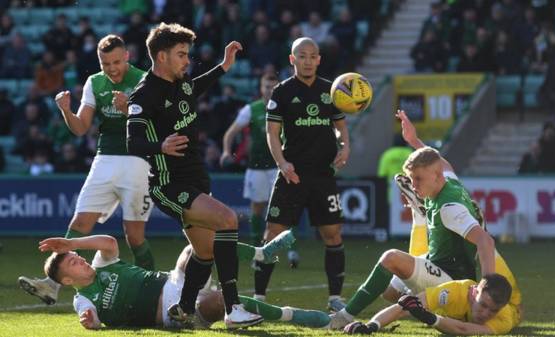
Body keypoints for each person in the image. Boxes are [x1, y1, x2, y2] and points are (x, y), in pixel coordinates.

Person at [126, 23, 270, 329]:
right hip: (168, 184)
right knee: (228, 220)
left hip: (195, 178)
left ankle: (183, 309)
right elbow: (132, 141)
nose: (187, 60)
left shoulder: (182, 81)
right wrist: (160, 145)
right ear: (161, 56)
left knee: (204, 251)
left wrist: (223, 67)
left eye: (187, 54)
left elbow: (196, 87)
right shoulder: (144, 93)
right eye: (181, 54)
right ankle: (233, 309)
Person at [18, 35, 155, 305]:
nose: (112, 68)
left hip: (139, 161)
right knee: (79, 223)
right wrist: (66, 111)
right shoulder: (94, 82)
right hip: (104, 159)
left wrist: (129, 110)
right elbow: (81, 127)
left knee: (134, 236)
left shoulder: (145, 79)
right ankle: (51, 285)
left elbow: (156, 125)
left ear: (127, 56)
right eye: (106, 64)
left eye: (116, 62)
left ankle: (151, 288)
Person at [329, 110, 496, 328]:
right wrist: (414, 141)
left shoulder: (449, 208)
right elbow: (442, 163)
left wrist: (487, 288)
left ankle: (343, 316)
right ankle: (417, 300)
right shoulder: (448, 180)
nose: (414, 185)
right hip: (439, 261)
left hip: (452, 279)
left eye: (418, 179)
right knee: (389, 292)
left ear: (436, 177)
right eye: (411, 179)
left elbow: (486, 241)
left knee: (391, 258)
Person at [39, 233, 325, 329]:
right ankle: (293, 315)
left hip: (175, 279)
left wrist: (71, 241)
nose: (81, 259)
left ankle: (260, 254)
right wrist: (90, 322)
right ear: (66, 279)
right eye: (74, 262)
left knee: (199, 243)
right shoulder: (83, 299)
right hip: (172, 311)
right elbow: (90, 319)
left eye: (77, 256)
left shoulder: (103, 264)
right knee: (221, 302)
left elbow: (109, 241)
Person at [255, 37, 350, 311]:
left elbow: (341, 127)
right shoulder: (282, 92)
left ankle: (334, 299)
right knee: (273, 234)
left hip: (323, 175)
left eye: (312, 56)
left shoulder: (330, 91)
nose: (307, 60)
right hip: (291, 174)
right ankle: (259, 298)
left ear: (319, 59)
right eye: (302, 56)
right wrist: (282, 163)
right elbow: (272, 134)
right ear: (292, 59)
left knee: (332, 234)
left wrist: (345, 147)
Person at [220, 72, 301, 267]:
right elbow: (231, 132)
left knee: (286, 209)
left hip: (280, 166)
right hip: (256, 167)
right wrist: (226, 151)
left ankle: (292, 251)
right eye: (266, 86)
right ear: (260, 88)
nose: (269, 90)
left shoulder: (288, 107)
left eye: (273, 87)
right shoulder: (251, 109)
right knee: (257, 209)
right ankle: (258, 252)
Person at [343, 273, 519, 335]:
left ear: (502, 308)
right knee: (390, 293)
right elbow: (405, 306)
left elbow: (463, 330)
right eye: (483, 305)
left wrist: (429, 317)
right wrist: (371, 326)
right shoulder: (455, 291)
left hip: (518, 311)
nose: (486, 314)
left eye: (493, 310)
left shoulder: (505, 318)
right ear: (473, 293)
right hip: (454, 285)